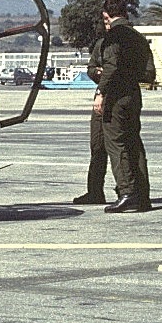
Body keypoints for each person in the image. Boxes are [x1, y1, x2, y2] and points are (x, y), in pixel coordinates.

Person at [95, 0, 152, 213]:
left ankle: (127, 192)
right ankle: (142, 195)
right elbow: (149, 72)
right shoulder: (137, 37)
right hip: (133, 94)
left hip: (117, 97)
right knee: (134, 144)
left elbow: (111, 67)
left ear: (106, 15)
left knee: (116, 144)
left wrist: (101, 92)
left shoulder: (114, 37)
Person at [72, 30, 109, 205]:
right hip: (102, 100)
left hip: (115, 97)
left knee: (124, 147)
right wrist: (99, 73)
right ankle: (95, 191)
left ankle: (129, 190)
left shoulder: (127, 43)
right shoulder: (101, 44)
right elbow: (91, 69)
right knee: (97, 146)